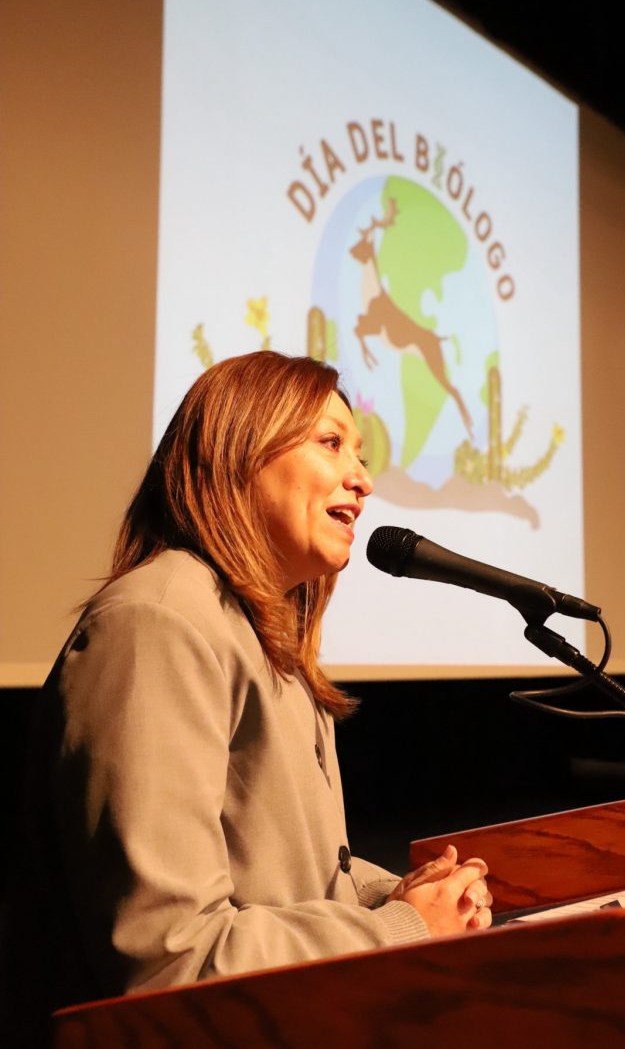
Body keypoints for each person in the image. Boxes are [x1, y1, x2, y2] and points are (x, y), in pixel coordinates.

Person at [2, 351, 491, 1047]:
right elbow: (172, 961)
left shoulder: (264, 636)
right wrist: (400, 927)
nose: (363, 479)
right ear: (240, 452)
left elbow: (286, 885)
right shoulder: (158, 623)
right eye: (331, 443)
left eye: (359, 454)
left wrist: (406, 894)